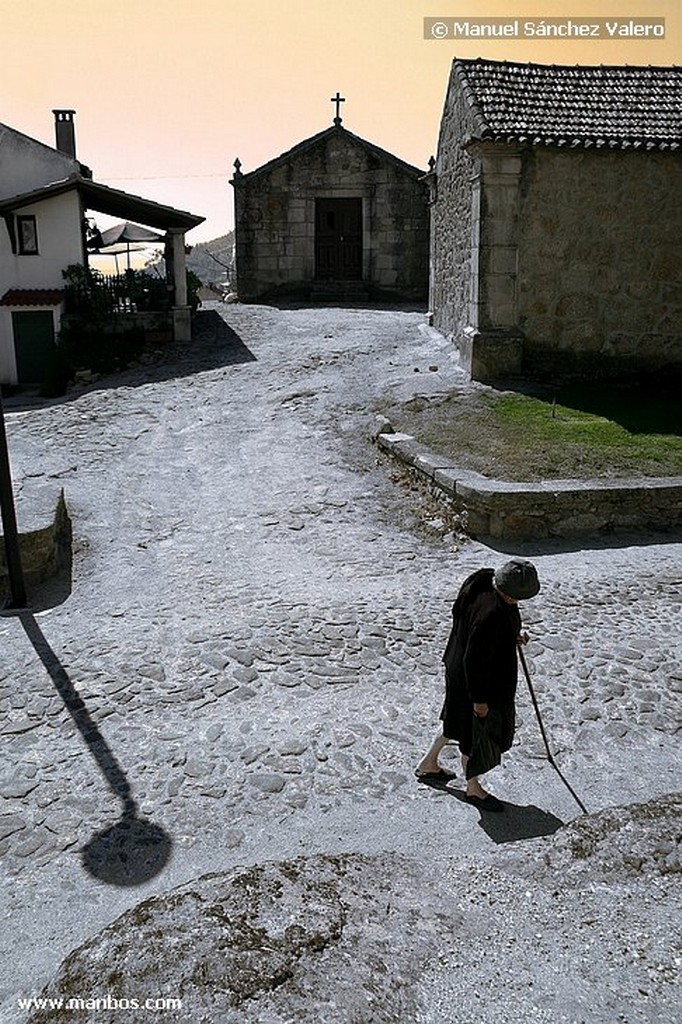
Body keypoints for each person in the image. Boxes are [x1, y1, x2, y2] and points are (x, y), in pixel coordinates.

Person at [415, 558, 540, 812]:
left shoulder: (481, 583)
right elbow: (476, 659)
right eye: (516, 598)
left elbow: (476, 630)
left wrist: (511, 636)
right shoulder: (490, 614)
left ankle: (428, 765)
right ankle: (473, 788)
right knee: (473, 734)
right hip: (473, 680)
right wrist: (480, 700)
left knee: (454, 723)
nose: (518, 602)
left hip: (457, 666)